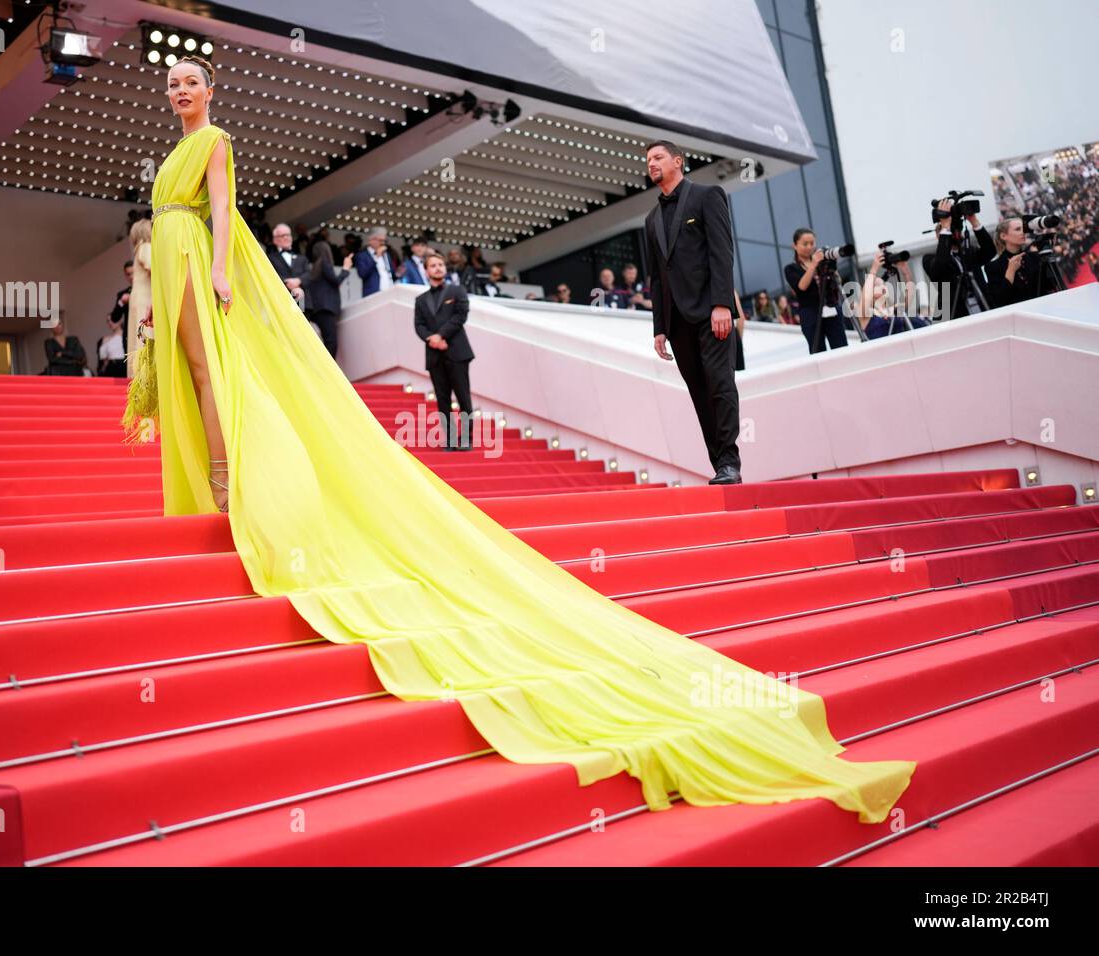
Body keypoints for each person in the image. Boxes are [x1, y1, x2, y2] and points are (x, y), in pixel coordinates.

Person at [118, 54, 915, 826]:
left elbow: (222, 211)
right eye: (172, 82)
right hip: (173, 262)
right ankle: (217, 478)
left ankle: (232, 478)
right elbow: (158, 231)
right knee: (191, 376)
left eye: (191, 80)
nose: (179, 89)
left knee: (214, 370)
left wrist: (222, 268)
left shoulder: (214, 144)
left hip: (207, 260)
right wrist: (149, 287)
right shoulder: (166, 158)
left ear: (211, 89)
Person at [642, 140, 742, 485]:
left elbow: (721, 252)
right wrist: (659, 327)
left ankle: (730, 461)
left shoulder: (707, 195)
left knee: (720, 384)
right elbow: (656, 277)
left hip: (711, 312)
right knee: (699, 393)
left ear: (678, 161)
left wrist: (721, 304)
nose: (652, 163)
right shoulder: (651, 218)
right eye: (648, 160)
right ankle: (719, 466)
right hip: (676, 322)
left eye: (658, 157)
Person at [414, 251, 475, 450]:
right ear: (426, 271)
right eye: (433, 265)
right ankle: (449, 440)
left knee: (463, 398)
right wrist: (432, 339)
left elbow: (460, 316)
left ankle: (465, 439)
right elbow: (419, 325)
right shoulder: (421, 300)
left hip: (457, 352)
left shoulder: (457, 291)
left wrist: (441, 335)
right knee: (442, 400)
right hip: (435, 355)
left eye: (440, 264)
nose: (438, 268)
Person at [922, 197, 995, 319]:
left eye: (956, 229)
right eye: (948, 231)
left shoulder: (969, 251)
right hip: (957, 313)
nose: (954, 233)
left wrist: (974, 221)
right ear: (938, 235)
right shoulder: (929, 259)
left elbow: (990, 252)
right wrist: (945, 226)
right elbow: (941, 265)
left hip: (984, 307)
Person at [785, 229, 849, 354]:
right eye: (805, 244)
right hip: (810, 312)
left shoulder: (822, 262)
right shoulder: (791, 268)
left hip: (831, 307)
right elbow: (801, 287)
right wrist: (814, 264)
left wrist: (831, 267)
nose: (809, 247)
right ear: (795, 245)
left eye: (812, 243)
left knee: (841, 347)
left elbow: (838, 281)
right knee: (818, 351)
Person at [985, 217, 1062, 307]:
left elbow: (1051, 285)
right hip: (1019, 315)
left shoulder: (1035, 257)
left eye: (1024, 229)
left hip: (1045, 309)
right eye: (1018, 229)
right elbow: (999, 300)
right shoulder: (993, 266)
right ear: (1003, 236)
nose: (1023, 232)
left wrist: (1047, 251)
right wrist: (1010, 271)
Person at [305, 230, 353, 359]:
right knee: (331, 342)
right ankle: (329, 374)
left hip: (318, 309)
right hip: (326, 308)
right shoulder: (325, 263)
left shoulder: (314, 267)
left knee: (326, 341)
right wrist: (346, 268)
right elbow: (336, 281)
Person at [860, 250, 928, 339]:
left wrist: (906, 272)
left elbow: (910, 298)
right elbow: (865, 298)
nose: (882, 287)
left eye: (883, 284)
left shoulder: (894, 309)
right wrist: (874, 269)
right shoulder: (866, 315)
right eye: (876, 285)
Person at [125, 218, 152, 376]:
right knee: (146, 335)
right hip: (146, 298)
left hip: (138, 297)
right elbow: (154, 268)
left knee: (138, 335)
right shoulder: (145, 247)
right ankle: (146, 374)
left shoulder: (138, 249)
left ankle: (138, 374)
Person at [266, 222, 310, 309]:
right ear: (275, 240)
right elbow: (269, 275)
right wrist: (286, 282)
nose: (286, 237)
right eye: (282, 235)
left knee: (301, 322)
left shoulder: (302, 258)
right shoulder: (270, 258)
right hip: (280, 301)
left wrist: (298, 280)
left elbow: (309, 274)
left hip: (302, 301)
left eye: (288, 235)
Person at [354, 227, 396, 296]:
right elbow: (362, 274)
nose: (383, 243)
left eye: (384, 241)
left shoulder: (386, 255)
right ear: (371, 240)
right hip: (373, 293)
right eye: (380, 240)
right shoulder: (362, 255)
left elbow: (391, 273)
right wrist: (376, 257)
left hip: (389, 292)